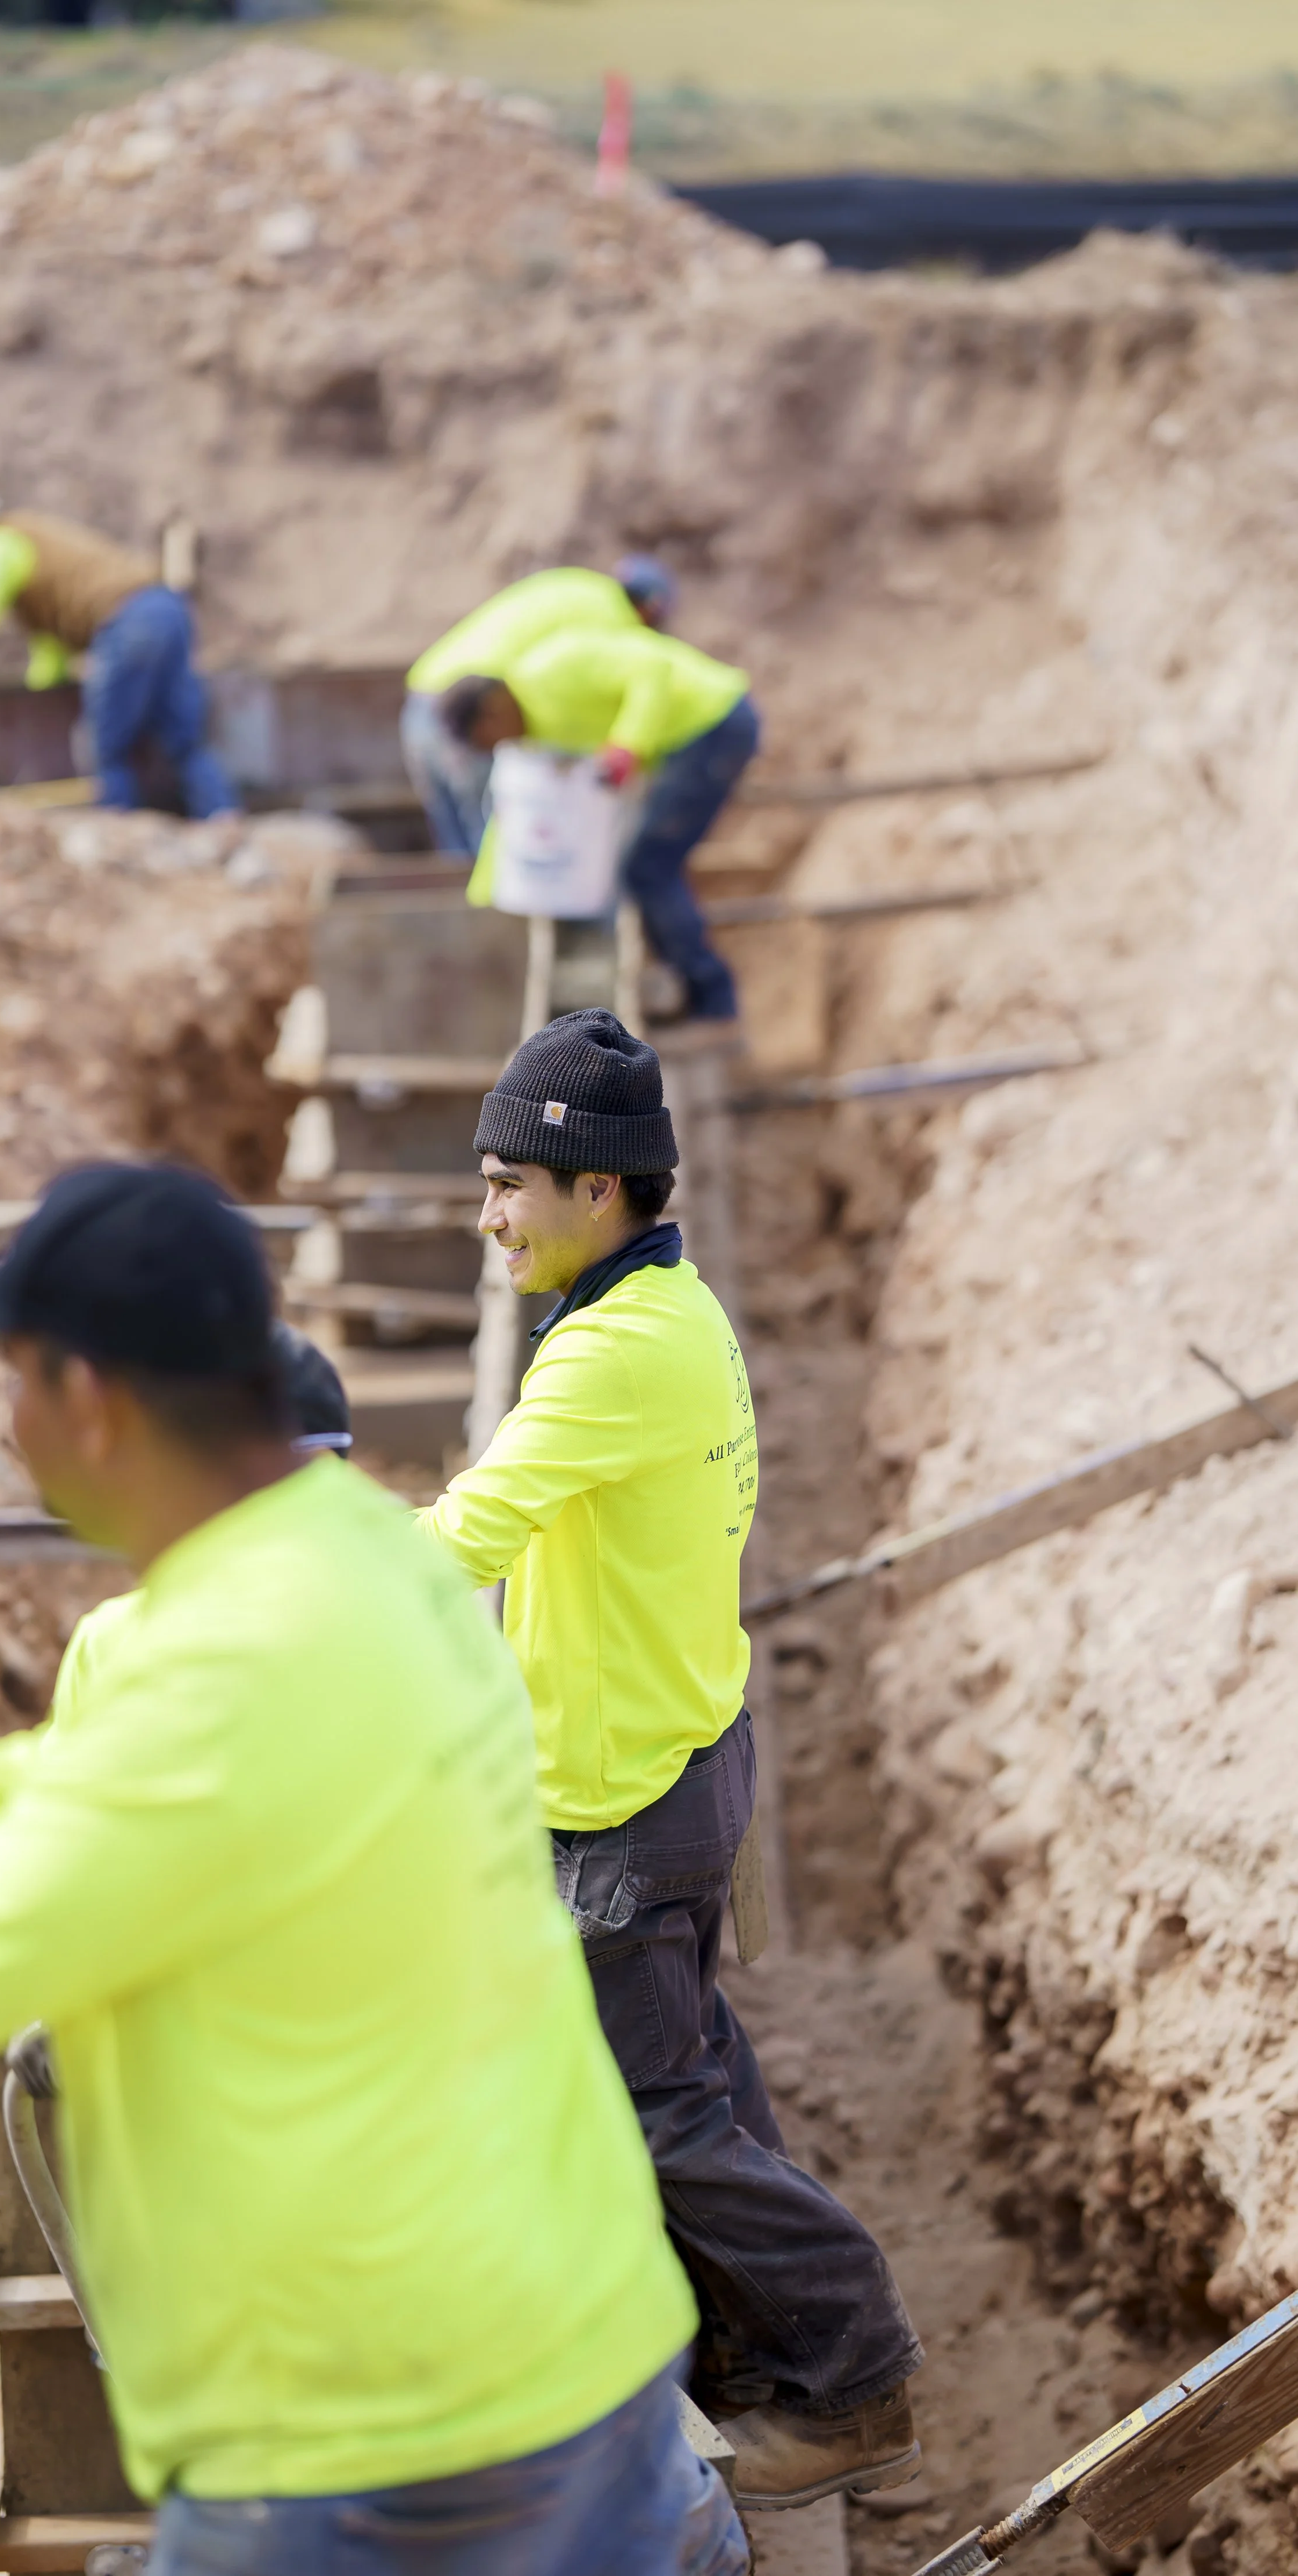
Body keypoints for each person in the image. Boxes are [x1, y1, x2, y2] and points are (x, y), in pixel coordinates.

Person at [0, 1160, 743, 2576]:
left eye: (15, 1377)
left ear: (90, 1398)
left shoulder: (224, 1674)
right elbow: (46, 1784)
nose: (11, 1424)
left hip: (378, 2436)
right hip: (579, 2350)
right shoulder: (368, 1568)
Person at [419, 1011, 923, 2513]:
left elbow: (462, 1537)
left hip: (620, 1806)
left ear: (595, 1186)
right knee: (688, 2060)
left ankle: (852, 2370)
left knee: (653, 2109)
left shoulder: (609, 1360)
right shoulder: (665, 1317)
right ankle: (765, 2355)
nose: (488, 1215)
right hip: (678, 1757)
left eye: (508, 1181)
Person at [440, 627, 757, 1025]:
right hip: (685, 742)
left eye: (485, 742)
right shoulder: (535, 732)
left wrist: (629, 744)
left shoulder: (550, 671)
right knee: (644, 864)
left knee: (648, 868)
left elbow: (651, 670)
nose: (493, 750)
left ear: (492, 711)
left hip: (712, 722)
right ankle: (687, 985)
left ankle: (713, 999)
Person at [0, 491, 237, 818]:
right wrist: (45, 689)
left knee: (106, 747)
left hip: (128, 619)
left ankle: (119, 831)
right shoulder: (35, 540)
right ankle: (222, 817)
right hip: (169, 608)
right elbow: (51, 638)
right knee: (184, 736)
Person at [402, 557, 677, 858]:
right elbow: (623, 675)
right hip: (476, 708)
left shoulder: (579, 587)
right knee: (496, 837)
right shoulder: (611, 615)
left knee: (457, 842)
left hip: (423, 698)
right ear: (647, 609)